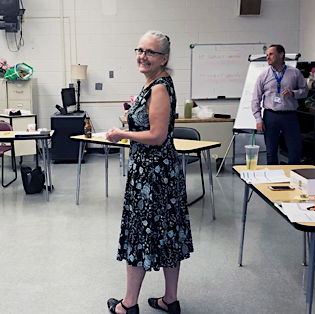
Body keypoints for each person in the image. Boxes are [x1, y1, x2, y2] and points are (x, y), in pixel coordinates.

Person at [105, 30, 192, 314]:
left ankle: (128, 305)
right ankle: (170, 300)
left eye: (150, 52)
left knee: (140, 234)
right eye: (140, 50)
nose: (143, 56)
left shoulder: (159, 88)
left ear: (164, 58)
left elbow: (156, 135)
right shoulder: (154, 84)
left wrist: (122, 133)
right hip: (156, 173)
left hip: (153, 177)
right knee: (165, 233)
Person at [251, 44, 308, 165]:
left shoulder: (294, 73)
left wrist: (294, 93)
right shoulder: (263, 76)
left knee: (295, 149)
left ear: (281, 55)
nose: (268, 57)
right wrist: (258, 119)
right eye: (267, 55)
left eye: (271, 54)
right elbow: (256, 99)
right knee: (271, 151)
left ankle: (293, 176)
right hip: (270, 116)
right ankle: (272, 178)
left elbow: (305, 91)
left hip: (289, 116)